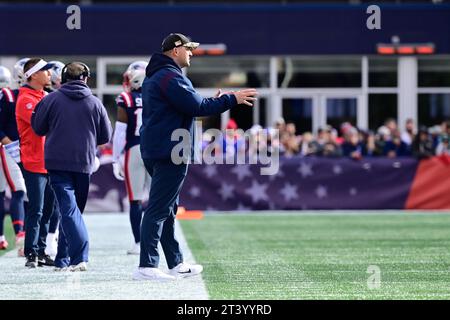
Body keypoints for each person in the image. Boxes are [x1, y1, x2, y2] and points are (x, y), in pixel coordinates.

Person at [134, 33, 258, 281]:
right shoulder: (170, 76)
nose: (192, 53)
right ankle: (146, 265)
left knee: (167, 209)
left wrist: (213, 101)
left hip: (159, 148)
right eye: (189, 48)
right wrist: (231, 98)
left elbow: (188, 106)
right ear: (176, 49)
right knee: (159, 208)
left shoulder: (160, 75)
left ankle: (175, 262)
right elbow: (197, 107)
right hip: (170, 151)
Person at [32, 62, 112, 271]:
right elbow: (105, 137)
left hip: (57, 162)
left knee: (70, 211)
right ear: (85, 79)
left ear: (64, 78)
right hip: (84, 162)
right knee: (73, 211)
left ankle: (70, 258)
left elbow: (38, 128)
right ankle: (74, 258)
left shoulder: (50, 100)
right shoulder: (95, 103)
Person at [16, 58, 56, 268]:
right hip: (34, 160)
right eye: (46, 71)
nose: (49, 74)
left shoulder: (44, 96)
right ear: (33, 75)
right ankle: (31, 252)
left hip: (49, 160)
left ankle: (41, 250)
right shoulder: (25, 99)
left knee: (48, 209)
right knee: (37, 209)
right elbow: (42, 124)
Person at [112, 60, 151, 255]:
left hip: (134, 150)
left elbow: (120, 132)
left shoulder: (126, 99)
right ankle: (155, 240)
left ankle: (138, 243)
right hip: (156, 151)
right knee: (158, 200)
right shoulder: (159, 97)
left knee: (135, 200)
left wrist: (115, 157)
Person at [0, 64, 27, 256]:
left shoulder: (24, 96)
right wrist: (10, 143)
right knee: (19, 190)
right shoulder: (8, 96)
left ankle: (6, 236)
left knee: (9, 192)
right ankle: (19, 234)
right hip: (8, 148)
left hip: (17, 148)